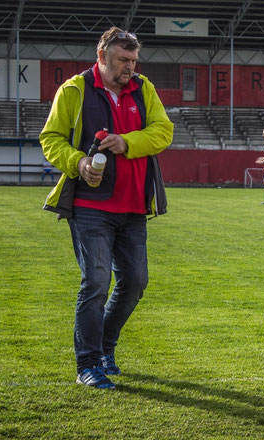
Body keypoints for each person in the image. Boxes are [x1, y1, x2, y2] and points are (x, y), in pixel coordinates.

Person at [40, 27, 174, 389]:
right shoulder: (74, 90)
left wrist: (126, 141)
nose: (130, 67)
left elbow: (164, 131)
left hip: (133, 207)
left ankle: (104, 350)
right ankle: (88, 363)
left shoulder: (144, 89)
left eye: (133, 60)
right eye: (122, 60)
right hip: (89, 205)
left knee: (134, 282)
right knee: (97, 280)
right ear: (101, 56)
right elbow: (50, 138)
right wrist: (78, 163)